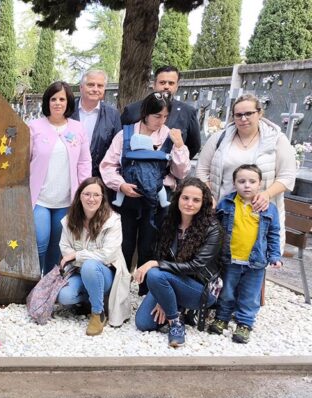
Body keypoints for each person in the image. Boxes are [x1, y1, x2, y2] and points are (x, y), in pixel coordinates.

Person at [100, 92, 190, 295]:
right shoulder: (125, 134)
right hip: (127, 199)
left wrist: (179, 146)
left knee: (151, 244)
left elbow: (180, 172)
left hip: (157, 200)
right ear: (145, 114)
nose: (161, 121)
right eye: (157, 116)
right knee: (123, 242)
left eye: (165, 117)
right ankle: (118, 286)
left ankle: (146, 288)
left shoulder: (170, 136)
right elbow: (107, 165)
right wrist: (121, 185)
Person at [196, 93, 296, 247]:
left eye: (249, 113)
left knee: (254, 261)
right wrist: (209, 195)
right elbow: (202, 170)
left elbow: (287, 176)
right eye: (238, 115)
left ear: (260, 113)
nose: (243, 119)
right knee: (217, 258)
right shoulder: (219, 138)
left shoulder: (276, 139)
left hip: (258, 213)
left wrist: (267, 194)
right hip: (222, 210)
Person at [134, 178, 223, 348]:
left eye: (196, 200)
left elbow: (196, 266)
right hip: (170, 281)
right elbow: (161, 254)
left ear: (203, 202)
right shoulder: (169, 221)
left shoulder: (212, 228)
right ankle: (175, 308)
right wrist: (163, 296)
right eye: (185, 198)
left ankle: (175, 322)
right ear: (178, 198)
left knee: (154, 271)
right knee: (143, 323)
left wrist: (156, 265)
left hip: (200, 288)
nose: (190, 203)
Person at [210, 164, 282, 343]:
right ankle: (222, 318)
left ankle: (245, 323)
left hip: (255, 263)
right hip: (230, 259)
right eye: (241, 181)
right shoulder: (226, 203)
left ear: (260, 184)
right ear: (234, 183)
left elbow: (273, 234)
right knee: (226, 291)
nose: (247, 185)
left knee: (250, 295)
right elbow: (216, 229)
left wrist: (274, 256)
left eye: (252, 181)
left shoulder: (268, 208)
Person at [29, 81, 91, 275]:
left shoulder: (78, 128)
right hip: (39, 198)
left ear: (68, 102)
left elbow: (84, 162)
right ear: (47, 102)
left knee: (57, 244)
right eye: (53, 99)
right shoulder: (34, 127)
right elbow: (24, 160)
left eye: (62, 99)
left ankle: (49, 281)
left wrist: (83, 192)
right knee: (40, 240)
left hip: (66, 200)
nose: (57, 103)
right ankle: (32, 279)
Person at [57, 177, 131, 335]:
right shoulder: (70, 220)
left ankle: (98, 313)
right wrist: (76, 256)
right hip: (79, 272)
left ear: (103, 197)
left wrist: (77, 255)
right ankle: (91, 299)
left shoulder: (113, 221)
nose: (91, 199)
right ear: (80, 196)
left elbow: (106, 255)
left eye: (96, 195)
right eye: (87, 194)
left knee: (90, 266)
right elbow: (64, 247)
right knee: (64, 297)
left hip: (105, 273)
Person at [121, 65, 201, 156]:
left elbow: (194, 145)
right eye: (162, 82)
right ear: (154, 85)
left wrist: (176, 164)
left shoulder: (188, 112)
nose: (166, 86)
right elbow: (120, 141)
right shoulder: (132, 110)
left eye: (171, 83)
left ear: (177, 86)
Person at [69, 70, 122, 177]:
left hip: (100, 179)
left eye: (100, 86)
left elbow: (117, 149)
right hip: (69, 175)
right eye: (91, 85)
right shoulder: (67, 111)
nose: (95, 89)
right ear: (81, 87)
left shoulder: (113, 115)